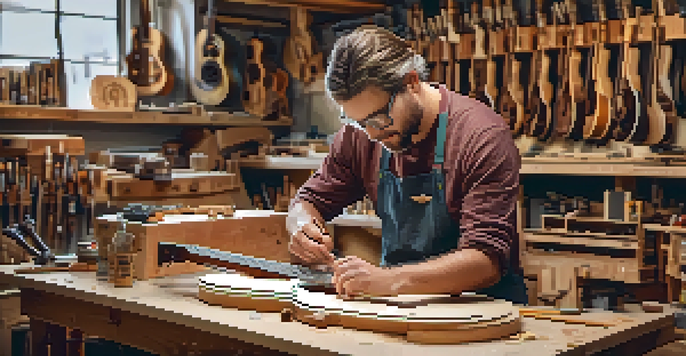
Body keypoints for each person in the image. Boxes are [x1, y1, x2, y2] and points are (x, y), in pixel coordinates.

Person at [286, 25, 527, 304]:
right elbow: (307, 200)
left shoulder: (481, 137)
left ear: (411, 82)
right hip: (400, 305)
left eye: (378, 119)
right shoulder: (361, 135)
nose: (373, 134)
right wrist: (301, 225)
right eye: (359, 123)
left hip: (480, 313)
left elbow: (486, 262)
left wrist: (389, 280)